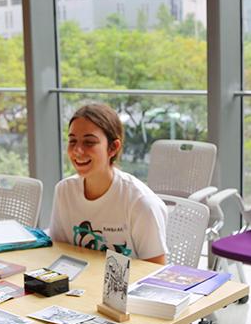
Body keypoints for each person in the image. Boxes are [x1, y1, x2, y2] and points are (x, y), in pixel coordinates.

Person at [50, 103, 169, 264]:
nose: (78, 150)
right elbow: (59, 252)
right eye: (72, 141)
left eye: (89, 142)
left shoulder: (141, 203)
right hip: (80, 285)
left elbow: (155, 272)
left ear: (113, 147)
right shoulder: (64, 191)